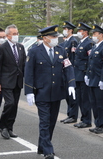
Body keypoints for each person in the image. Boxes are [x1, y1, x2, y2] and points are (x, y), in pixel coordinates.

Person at [25, 25, 76, 159]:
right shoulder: (34, 51)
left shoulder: (61, 50)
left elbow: (68, 67)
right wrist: (29, 91)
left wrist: (71, 84)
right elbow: (29, 72)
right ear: (45, 38)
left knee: (52, 121)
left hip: (56, 92)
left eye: (56, 37)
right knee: (45, 121)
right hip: (42, 92)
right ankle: (48, 150)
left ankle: (42, 146)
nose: (55, 39)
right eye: (53, 37)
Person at [0, 24, 26, 139]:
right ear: (8, 36)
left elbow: (23, 65)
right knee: (9, 103)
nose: (16, 36)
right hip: (6, 81)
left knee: (15, 105)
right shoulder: (2, 48)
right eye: (14, 34)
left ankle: (10, 127)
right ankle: (3, 126)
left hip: (17, 81)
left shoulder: (21, 47)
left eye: (17, 33)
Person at [86, 24, 103, 134]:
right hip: (92, 79)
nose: (93, 36)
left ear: (101, 35)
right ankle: (97, 123)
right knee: (93, 103)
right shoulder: (94, 47)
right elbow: (90, 63)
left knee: (100, 104)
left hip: (99, 79)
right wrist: (87, 75)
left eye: (95, 34)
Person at [73, 22, 93, 129]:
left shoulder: (89, 43)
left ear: (85, 32)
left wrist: (87, 73)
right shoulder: (80, 43)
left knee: (85, 99)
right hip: (78, 74)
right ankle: (83, 118)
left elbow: (90, 59)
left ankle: (87, 120)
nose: (79, 32)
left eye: (80, 31)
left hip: (84, 73)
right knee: (80, 98)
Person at [59, 21, 79, 124]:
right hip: (64, 72)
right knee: (67, 95)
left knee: (72, 96)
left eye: (66, 29)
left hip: (71, 71)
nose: (64, 30)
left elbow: (73, 58)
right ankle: (69, 114)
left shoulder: (73, 42)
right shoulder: (66, 42)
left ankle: (73, 115)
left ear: (71, 30)